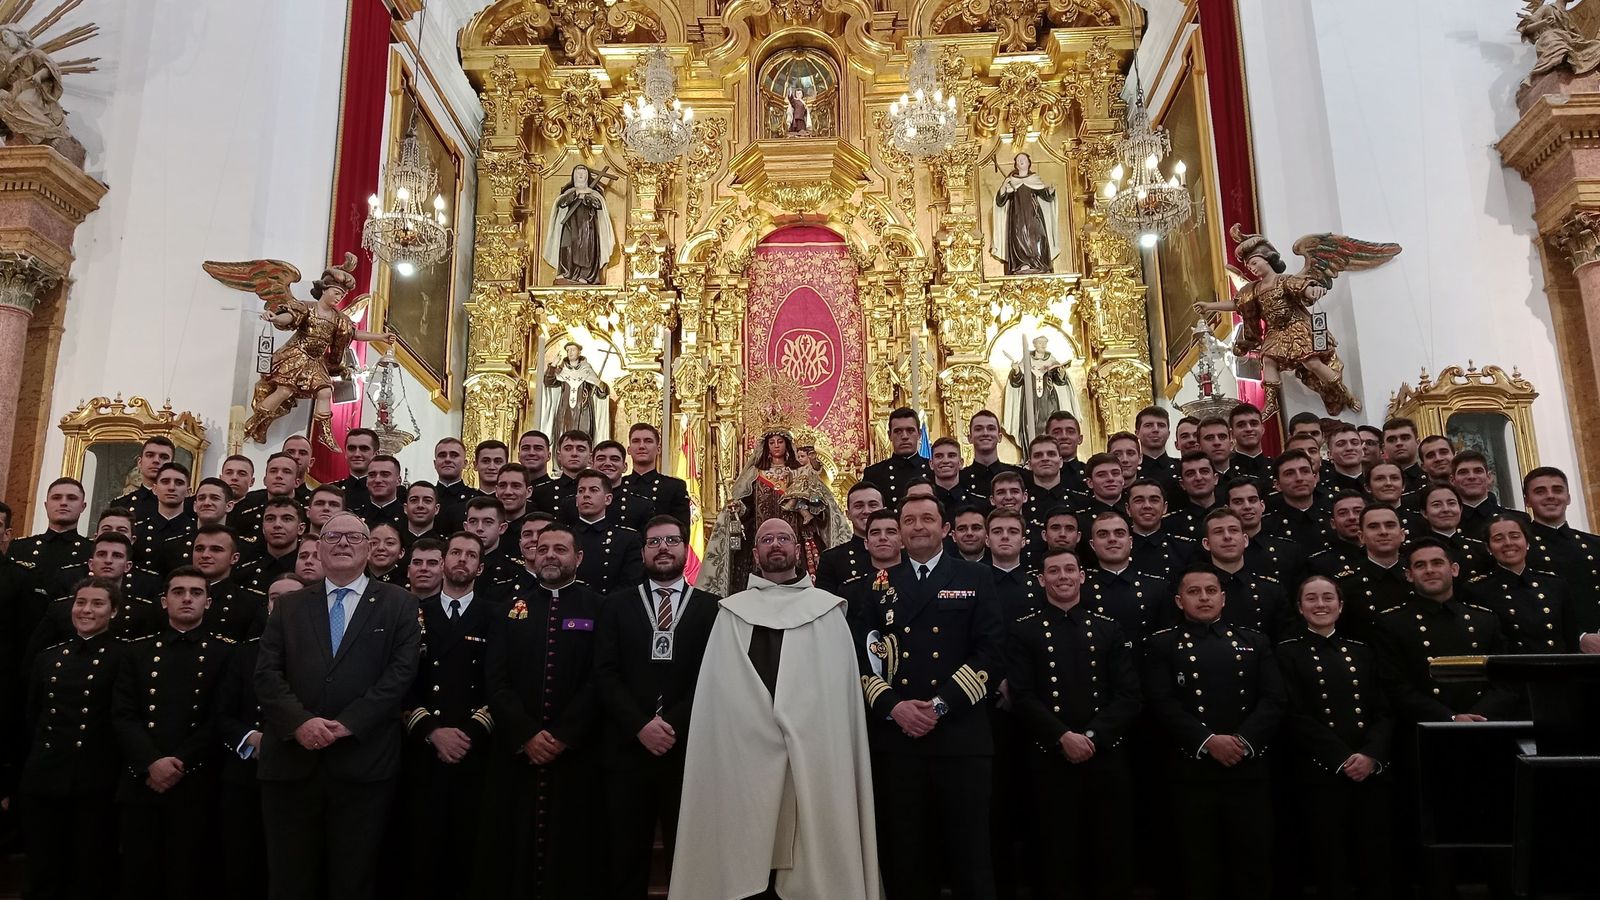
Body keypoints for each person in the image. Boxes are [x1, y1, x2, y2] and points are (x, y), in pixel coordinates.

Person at [669, 517, 881, 900]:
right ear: (755, 554)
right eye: (767, 539)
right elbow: (721, 693)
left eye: (784, 538)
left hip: (815, 749)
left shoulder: (828, 611)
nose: (776, 545)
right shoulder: (732, 613)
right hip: (743, 750)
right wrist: (761, 727)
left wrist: (800, 724)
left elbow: (836, 695)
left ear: (799, 551)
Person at [253, 512, 421, 900]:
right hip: (292, 765)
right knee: (289, 878)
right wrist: (301, 724)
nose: (343, 543)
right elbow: (266, 674)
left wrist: (347, 724)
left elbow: (400, 675)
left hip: (362, 764)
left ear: (369, 547)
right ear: (317, 547)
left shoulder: (400, 604)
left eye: (353, 537)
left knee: (353, 877)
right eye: (332, 537)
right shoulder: (290, 606)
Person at [855, 495, 1005, 900]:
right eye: (909, 520)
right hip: (899, 742)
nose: (918, 526)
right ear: (900, 534)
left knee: (971, 855)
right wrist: (894, 707)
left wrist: (939, 706)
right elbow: (863, 659)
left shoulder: (975, 578)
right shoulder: (878, 586)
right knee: (906, 857)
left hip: (961, 737)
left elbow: (992, 652)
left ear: (946, 529)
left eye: (927, 519)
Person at [1142, 567, 1286, 900]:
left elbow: (1274, 698)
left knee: (1252, 861)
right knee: (1197, 863)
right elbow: (1160, 702)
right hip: (1191, 771)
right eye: (1194, 592)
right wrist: (1208, 742)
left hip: (1246, 767)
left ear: (1223, 597)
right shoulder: (1162, 644)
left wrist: (1242, 742)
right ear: (1179, 601)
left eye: (1210, 590)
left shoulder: (1254, 640)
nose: (1204, 597)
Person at [596, 515, 720, 900]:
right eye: (654, 542)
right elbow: (604, 673)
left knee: (690, 853)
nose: (663, 548)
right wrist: (640, 725)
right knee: (625, 855)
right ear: (643, 551)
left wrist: (671, 725)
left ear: (686, 548)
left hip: (688, 750)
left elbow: (713, 676)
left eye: (671, 540)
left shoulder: (712, 607)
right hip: (627, 748)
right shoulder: (616, 605)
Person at [1007, 548, 1140, 900]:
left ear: (1083, 576)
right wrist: (1062, 736)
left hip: (1105, 756)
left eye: (1070, 569)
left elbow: (1128, 695)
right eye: (1054, 571)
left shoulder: (1108, 629)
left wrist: (1091, 737)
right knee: (1055, 852)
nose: (1063, 576)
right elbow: (1022, 695)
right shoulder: (1024, 632)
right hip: (1050, 757)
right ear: (1041, 579)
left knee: (1109, 851)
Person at [483, 523, 601, 896]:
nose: (550, 555)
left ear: (578, 558)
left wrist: (564, 734)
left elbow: (602, 678)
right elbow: (496, 680)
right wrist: (526, 734)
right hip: (520, 754)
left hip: (576, 755)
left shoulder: (598, 608)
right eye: (543, 548)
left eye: (560, 549)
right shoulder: (509, 610)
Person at [112, 566, 231, 900]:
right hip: (142, 780)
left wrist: (179, 762)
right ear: (164, 601)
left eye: (196, 593)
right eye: (179, 592)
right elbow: (123, 714)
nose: (187, 599)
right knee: (137, 875)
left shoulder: (225, 653)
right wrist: (151, 762)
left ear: (208, 602)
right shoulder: (136, 652)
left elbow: (219, 717)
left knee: (187, 876)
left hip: (194, 782)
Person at [1276, 575, 1394, 900]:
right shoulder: (1286, 653)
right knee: (1331, 862)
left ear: (1340, 606)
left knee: (1376, 860)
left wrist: (1371, 754)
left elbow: (1383, 710)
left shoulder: (1362, 651)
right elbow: (1293, 715)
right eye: (1311, 599)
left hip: (1369, 770)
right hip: (1321, 772)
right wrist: (1341, 758)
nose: (1320, 605)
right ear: (1299, 608)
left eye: (1328, 598)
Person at [19, 577, 127, 900]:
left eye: (97, 603)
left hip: (94, 781)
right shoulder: (48, 658)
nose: (86, 610)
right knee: (42, 869)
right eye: (81, 602)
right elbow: (33, 717)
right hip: (44, 778)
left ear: (114, 611)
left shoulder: (125, 657)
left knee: (88, 872)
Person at [401, 533, 495, 900]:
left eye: (470, 555)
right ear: (442, 562)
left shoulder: (495, 615)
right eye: (455, 553)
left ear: (480, 567)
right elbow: (399, 680)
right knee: (422, 853)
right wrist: (432, 731)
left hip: (474, 750)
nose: (461, 560)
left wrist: (468, 732)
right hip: (424, 749)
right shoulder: (413, 613)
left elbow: (500, 682)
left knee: (467, 854)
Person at [218, 572, 304, 900]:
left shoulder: (325, 655)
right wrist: (251, 737)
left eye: (290, 598)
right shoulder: (242, 653)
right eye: (274, 598)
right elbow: (222, 713)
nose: (280, 604)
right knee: (240, 864)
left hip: (297, 774)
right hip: (244, 776)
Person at [1373, 538, 1520, 724]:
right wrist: (1450, 718)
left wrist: (1477, 716)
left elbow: (1505, 681)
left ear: (1454, 569)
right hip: (1425, 729)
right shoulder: (1392, 623)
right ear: (1409, 575)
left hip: (1484, 726)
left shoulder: (1485, 619)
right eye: (1420, 565)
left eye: (1437, 563)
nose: (1429, 570)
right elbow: (1395, 686)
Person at [703, 431, 848, 595]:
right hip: (761, 537)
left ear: (787, 444)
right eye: (772, 442)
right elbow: (747, 506)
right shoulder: (755, 474)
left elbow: (819, 500)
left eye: (780, 441)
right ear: (766, 446)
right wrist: (738, 508)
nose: (776, 445)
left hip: (795, 537)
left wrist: (811, 506)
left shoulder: (798, 472)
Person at [1521, 466, 1600, 651]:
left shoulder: (1594, 544)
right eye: (1540, 491)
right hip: (1551, 649)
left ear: (1569, 497)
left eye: (1557, 490)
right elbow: (1523, 603)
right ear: (1527, 501)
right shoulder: (1520, 548)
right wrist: (1579, 636)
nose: (1550, 496)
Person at [1470, 516, 1577, 653]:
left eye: (1515, 536)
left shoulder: (1555, 585)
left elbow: (1571, 639)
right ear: (1488, 548)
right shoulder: (1477, 590)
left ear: (1527, 543)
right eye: (1498, 539)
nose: (1508, 543)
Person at [1083, 510, 1172, 649]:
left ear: (1130, 542)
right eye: (1103, 534)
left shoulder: (1158, 588)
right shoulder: (1081, 589)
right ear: (1092, 545)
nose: (1112, 539)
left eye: (1119, 533)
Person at [1332, 505, 1412, 640]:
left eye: (1390, 525)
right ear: (1361, 536)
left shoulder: (1418, 576)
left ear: (1402, 534)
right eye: (1373, 527)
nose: (1383, 532)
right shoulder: (1346, 584)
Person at [566, 468, 646, 594]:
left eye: (593, 490)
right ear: (576, 500)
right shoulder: (564, 537)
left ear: (608, 499)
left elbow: (631, 584)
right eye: (581, 491)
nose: (586, 494)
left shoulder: (627, 539)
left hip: (613, 608)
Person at [10, 476, 90, 597]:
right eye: (56, 498)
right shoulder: (20, 548)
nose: (63, 503)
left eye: (71, 498)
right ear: (46, 505)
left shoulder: (91, 550)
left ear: (83, 506)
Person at [191, 524, 268, 641]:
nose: (205, 555)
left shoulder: (251, 604)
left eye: (216, 549)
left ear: (234, 558)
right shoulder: (169, 598)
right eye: (199, 549)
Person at [542, 167, 615, 285]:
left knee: (586, 249)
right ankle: (567, 272)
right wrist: (575, 195)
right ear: (573, 177)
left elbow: (598, 205)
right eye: (578, 174)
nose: (580, 176)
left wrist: (586, 198)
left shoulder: (594, 193)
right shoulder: (568, 192)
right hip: (570, 225)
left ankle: (586, 275)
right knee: (567, 247)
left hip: (587, 226)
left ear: (587, 177)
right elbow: (561, 203)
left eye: (583, 174)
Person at [992, 152, 1059, 276]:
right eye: (1018, 160)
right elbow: (1001, 201)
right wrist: (1003, 186)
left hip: (1034, 216)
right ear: (1016, 165)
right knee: (1019, 238)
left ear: (1029, 162)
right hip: (1017, 217)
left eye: (1023, 159)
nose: (1020, 161)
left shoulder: (1035, 179)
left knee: (1037, 237)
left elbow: (1046, 196)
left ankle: (1039, 264)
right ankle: (1022, 264)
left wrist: (1050, 191)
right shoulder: (1012, 181)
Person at [815, 482, 884, 594]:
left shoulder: (901, 555)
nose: (866, 511)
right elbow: (825, 605)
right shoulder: (831, 559)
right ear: (848, 514)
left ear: (883, 510)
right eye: (858, 506)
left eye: (873, 505)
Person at [1126, 479, 1196, 582]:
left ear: (1165, 508)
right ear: (1128, 509)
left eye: (1154, 500)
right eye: (1139, 500)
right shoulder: (1116, 549)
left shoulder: (1184, 549)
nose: (1147, 506)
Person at [622, 423, 691, 526]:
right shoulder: (618, 486)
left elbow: (681, 531)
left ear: (658, 449)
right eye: (636, 441)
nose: (641, 446)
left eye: (648, 441)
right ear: (629, 450)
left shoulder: (674, 487)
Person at [135, 461, 197, 575]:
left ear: (188, 492)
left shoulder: (197, 532)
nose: (171, 487)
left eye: (179, 483)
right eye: (165, 482)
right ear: (154, 489)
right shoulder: (138, 531)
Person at [863, 407, 932, 508]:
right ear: (889, 435)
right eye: (898, 431)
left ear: (919, 434)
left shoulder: (932, 469)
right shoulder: (874, 474)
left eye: (910, 430)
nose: (904, 436)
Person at [236, 497, 304, 592]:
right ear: (263, 528)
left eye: (287, 519)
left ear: (301, 528)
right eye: (270, 519)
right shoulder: (244, 573)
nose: (277, 525)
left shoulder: (308, 571)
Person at [960, 410, 1025, 498]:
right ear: (970, 438)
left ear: (999, 437)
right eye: (978, 429)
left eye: (991, 428)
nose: (985, 433)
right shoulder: (960, 479)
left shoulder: (1020, 476)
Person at [110, 436, 177, 521]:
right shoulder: (121, 505)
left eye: (164, 457)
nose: (156, 460)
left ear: (172, 465)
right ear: (139, 462)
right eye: (150, 455)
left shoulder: (184, 505)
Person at [1163, 451, 1221, 542]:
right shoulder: (1170, 524)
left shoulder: (1235, 517)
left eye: (1204, 471)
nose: (1198, 478)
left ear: (1215, 478)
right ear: (1182, 484)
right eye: (1190, 474)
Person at [530, 429, 591, 515]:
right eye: (568, 449)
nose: (574, 454)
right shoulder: (540, 492)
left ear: (590, 457)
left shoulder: (602, 492)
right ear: (559, 455)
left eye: (580, 449)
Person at [1450, 450, 1507, 540]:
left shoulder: (1514, 518)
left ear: (1488, 477)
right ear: (1452, 480)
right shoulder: (1446, 522)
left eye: (1478, 471)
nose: (1471, 477)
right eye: (1463, 472)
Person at [350, 455, 404, 531]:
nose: (377, 480)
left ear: (398, 480)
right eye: (372, 475)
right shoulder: (354, 519)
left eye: (385, 475)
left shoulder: (408, 518)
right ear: (366, 481)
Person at [331, 427, 379, 509]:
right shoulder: (331, 491)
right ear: (345, 453)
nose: (357, 454)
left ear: (376, 454)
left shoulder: (389, 492)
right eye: (351, 448)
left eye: (364, 448)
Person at [1381, 418, 1427, 493]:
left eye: (1405, 438)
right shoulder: (1378, 485)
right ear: (1383, 448)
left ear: (1417, 442)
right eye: (1392, 440)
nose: (1399, 443)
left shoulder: (1431, 480)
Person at [1228, 403, 1273, 479]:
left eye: (1254, 424)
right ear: (1232, 434)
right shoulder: (1227, 471)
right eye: (1241, 425)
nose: (1249, 429)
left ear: (1262, 429)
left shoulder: (1277, 468)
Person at [401, 481, 445, 546]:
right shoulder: (395, 544)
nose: (420, 505)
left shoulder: (445, 546)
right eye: (414, 500)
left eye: (427, 501)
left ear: (436, 509)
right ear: (405, 508)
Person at [365, 523, 407, 587]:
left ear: (401, 552)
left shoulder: (409, 584)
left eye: (389, 543)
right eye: (374, 543)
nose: (380, 548)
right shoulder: (352, 579)